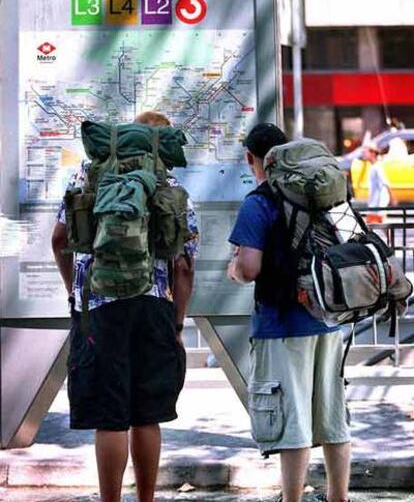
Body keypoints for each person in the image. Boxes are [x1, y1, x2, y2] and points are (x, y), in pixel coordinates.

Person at [52, 111, 198, 502]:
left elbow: (59, 239)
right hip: (153, 307)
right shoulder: (169, 181)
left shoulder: (88, 174)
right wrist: (178, 322)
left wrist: (75, 292)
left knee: (110, 416)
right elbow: (183, 265)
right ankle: (146, 499)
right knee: (147, 414)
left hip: (97, 307)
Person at [227, 124, 351, 502]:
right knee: (332, 412)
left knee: (292, 415)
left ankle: (292, 499)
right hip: (328, 319)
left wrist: (232, 267)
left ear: (252, 158)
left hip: (282, 324)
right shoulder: (317, 193)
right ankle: (338, 496)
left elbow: (248, 269)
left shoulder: (259, 202)